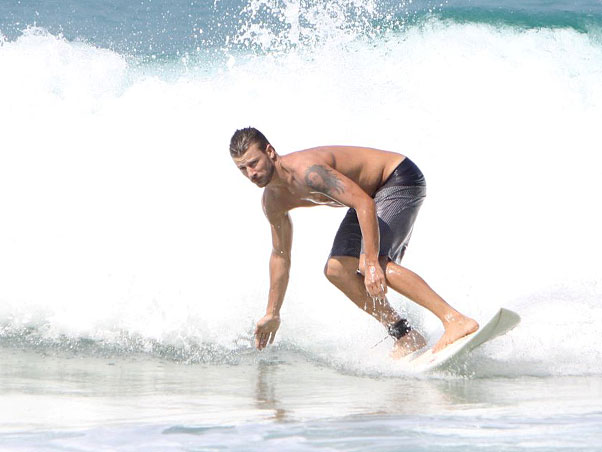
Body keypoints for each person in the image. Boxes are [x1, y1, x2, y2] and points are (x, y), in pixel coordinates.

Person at [229, 127, 478, 358]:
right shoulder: (273, 201)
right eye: (242, 169)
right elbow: (280, 255)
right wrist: (272, 312)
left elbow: (363, 203)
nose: (251, 174)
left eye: (253, 163)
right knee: (337, 270)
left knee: (371, 263)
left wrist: (371, 263)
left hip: (396, 179)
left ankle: (455, 320)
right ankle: (404, 335)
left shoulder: (309, 172)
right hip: (367, 197)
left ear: (270, 152)